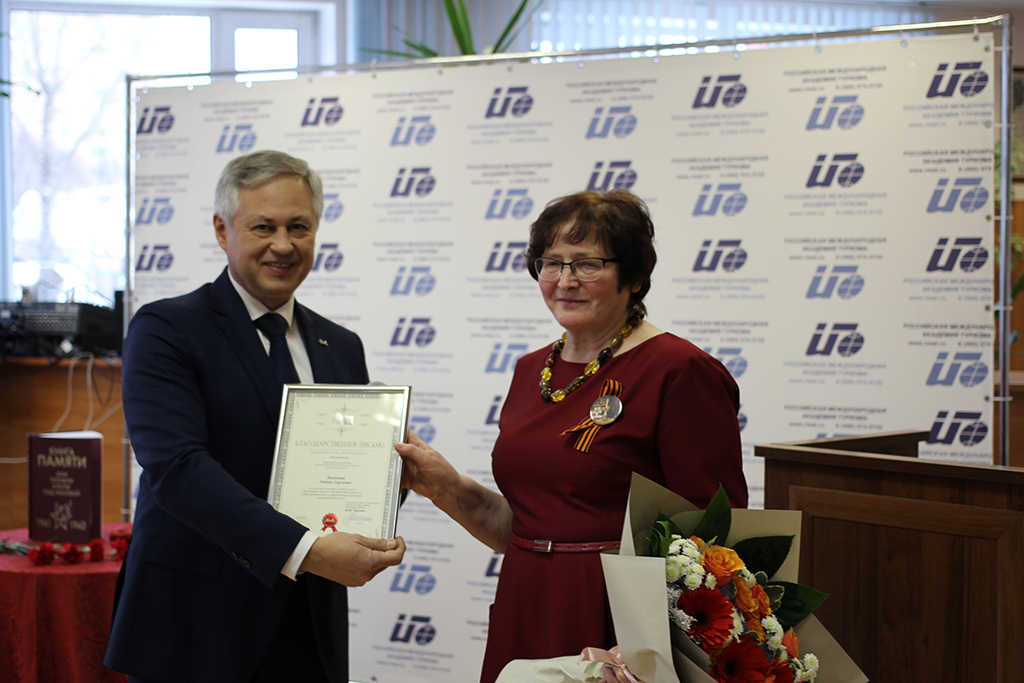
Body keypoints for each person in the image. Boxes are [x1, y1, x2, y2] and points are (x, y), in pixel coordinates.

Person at [396, 188, 747, 683]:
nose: (565, 281)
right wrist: (444, 486)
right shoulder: (530, 369)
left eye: (587, 264)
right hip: (524, 601)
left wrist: (647, 645)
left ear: (634, 276)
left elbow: (715, 539)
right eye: (552, 263)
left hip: (620, 627)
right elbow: (528, 526)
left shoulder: (679, 370)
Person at [105, 150, 406, 683]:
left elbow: (349, 485)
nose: (283, 245)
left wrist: (391, 474)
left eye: (299, 227)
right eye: (263, 226)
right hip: (195, 626)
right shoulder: (166, 329)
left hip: (309, 625)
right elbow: (178, 470)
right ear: (223, 230)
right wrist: (306, 549)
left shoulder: (341, 345)